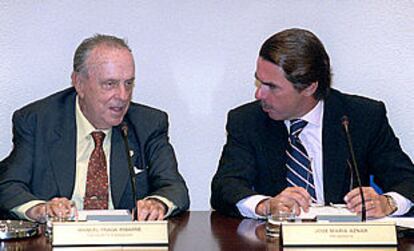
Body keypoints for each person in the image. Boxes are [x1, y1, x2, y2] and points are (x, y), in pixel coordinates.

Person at [211, 28, 414, 219]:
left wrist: (388, 203)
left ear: (309, 87)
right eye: (259, 81)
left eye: (271, 86)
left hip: (343, 241)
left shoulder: (362, 117)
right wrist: (265, 205)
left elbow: (407, 180)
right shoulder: (247, 121)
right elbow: (225, 187)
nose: (259, 94)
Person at [0, 34, 189, 222]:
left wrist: (157, 203)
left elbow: (174, 187)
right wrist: (40, 209)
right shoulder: (37, 121)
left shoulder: (148, 124)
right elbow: (8, 185)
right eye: (110, 84)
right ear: (79, 84)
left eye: (128, 83)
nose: (123, 96)